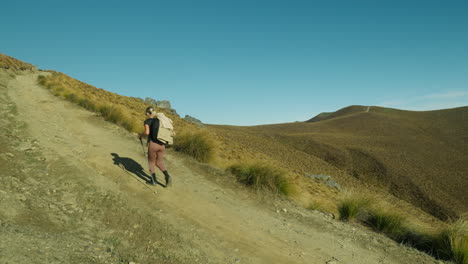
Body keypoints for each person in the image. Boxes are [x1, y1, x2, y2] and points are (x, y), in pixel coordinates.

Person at [138, 106, 172, 186]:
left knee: (151, 162)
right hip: (162, 145)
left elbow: (147, 132)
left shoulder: (147, 121)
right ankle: (167, 176)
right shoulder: (160, 121)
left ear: (147, 113)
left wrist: (140, 136)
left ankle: (153, 181)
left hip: (153, 145)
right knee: (159, 162)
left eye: (145, 113)